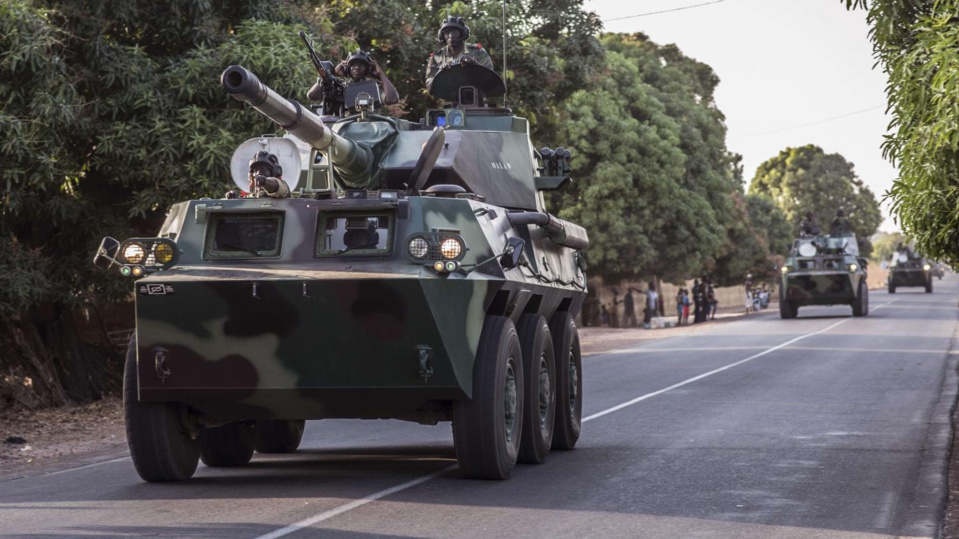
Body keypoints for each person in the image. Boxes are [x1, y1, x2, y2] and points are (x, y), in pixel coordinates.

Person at [308, 49, 399, 111]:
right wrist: (331, 75)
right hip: (343, 128)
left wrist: (380, 74)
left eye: (361, 65)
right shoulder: (340, 88)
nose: (357, 68)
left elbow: (392, 99)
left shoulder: (374, 87)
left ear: (368, 69)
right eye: (353, 65)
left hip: (370, 129)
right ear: (347, 69)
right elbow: (312, 95)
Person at [425, 16, 494, 89]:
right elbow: (429, 87)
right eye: (447, 32)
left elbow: (492, 79)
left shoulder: (478, 51)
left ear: (462, 33)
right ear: (442, 36)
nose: (451, 36)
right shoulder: (436, 57)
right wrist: (440, 73)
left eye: (455, 32)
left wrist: (475, 65)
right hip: (448, 95)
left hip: (475, 94)